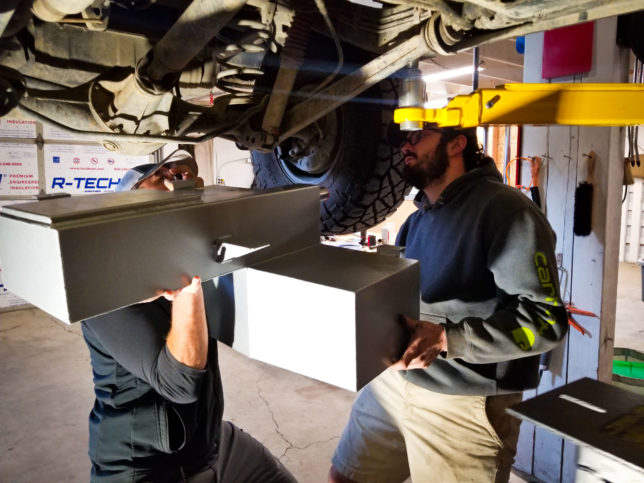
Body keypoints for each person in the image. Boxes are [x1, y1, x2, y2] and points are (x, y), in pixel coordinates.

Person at [329, 124, 569, 483]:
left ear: (457, 143)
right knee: (346, 477)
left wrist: (447, 339)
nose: (405, 146)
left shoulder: (506, 210)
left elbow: (546, 321)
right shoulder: (417, 219)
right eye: (402, 139)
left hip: (463, 400)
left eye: (417, 135)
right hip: (393, 384)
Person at [82, 149, 296, 482]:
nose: (174, 177)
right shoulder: (102, 284)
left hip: (210, 444)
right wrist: (188, 285)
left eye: (179, 174)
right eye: (159, 175)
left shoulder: (194, 253)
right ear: (127, 206)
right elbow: (179, 384)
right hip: (145, 468)